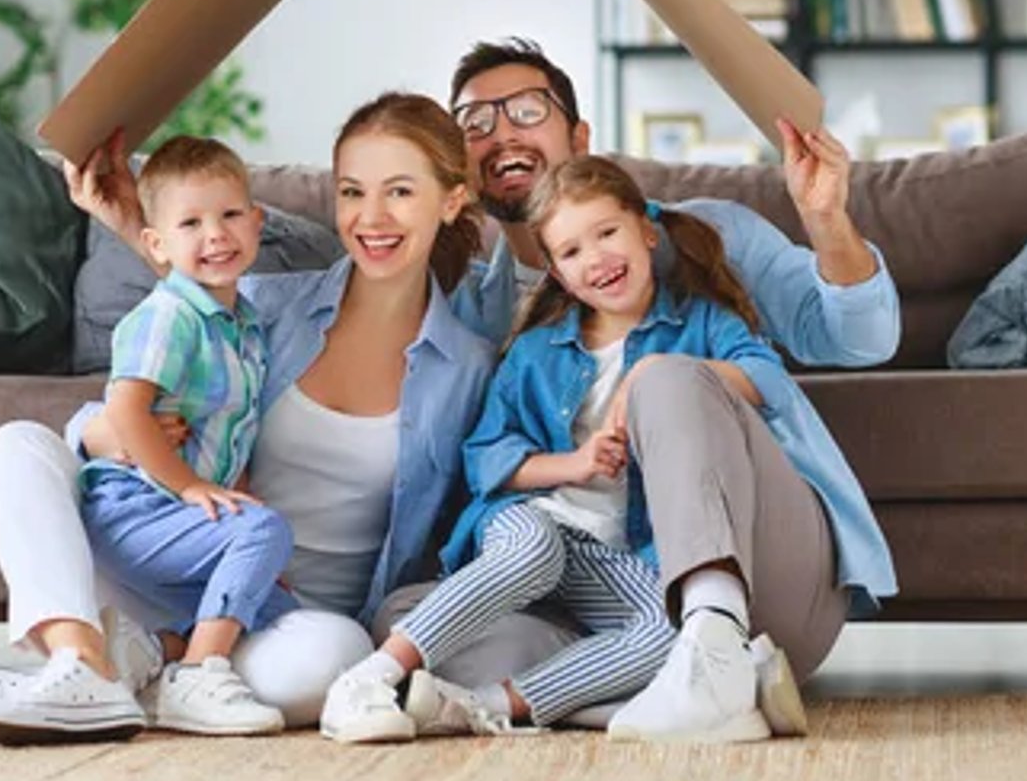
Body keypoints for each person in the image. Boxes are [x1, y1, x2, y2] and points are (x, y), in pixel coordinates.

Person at [0, 94, 495, 741]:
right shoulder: (270, 307)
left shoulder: (469, 366)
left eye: (400, 192)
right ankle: (81, 656)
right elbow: (183, 311)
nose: (372, 216)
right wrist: (103, 432)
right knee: (20, 444)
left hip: (281, 619)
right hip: (171, 556)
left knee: (337, 658)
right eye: (354, 192)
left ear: (451, 200)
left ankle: (121, 669)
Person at [373, 36, 901, 743]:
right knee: (410, 619)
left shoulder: (707, 246)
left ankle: (710, 644)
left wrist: (827, 219)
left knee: (669, 380)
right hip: (597, 588)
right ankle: (629, 690)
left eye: (527, 110)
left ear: (579, 135)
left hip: (762, 572)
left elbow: (861, 340)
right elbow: (470, 458)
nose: (501, 134)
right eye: (475, 123)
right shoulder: (473, 309)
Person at [322, 157, 809, 743]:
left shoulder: (700, 323)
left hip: (615, 554)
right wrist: (575, 465)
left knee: (673, 628)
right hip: (536, 523)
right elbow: (486, 456)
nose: (597, 259)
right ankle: (371, 676)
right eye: (573, 252)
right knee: (535, 550)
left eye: (607, 233)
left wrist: (662, 371)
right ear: (555, 272)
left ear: (646, 232)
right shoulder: (537, 352)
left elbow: (771, 381)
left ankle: (487, 705)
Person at [0, 137, 288, 741]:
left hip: (179, 518)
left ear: (256, 223)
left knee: (279, 609)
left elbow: (236, 439)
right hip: (134, 506)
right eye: (191, 223)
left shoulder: (248, 328)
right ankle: (197, 675)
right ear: (156, 244)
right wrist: (191, 485)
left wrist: (230, 506)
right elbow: (125, 409)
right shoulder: (170, 314)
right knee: (268, 529)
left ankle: (138, 655)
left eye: (229, 216)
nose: (216, 235)